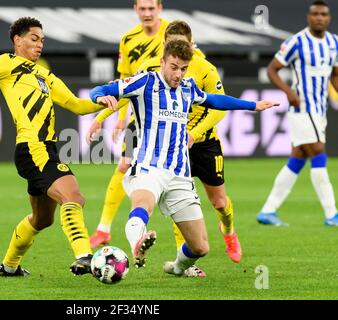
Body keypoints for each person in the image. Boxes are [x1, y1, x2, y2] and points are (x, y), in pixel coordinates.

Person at [90, 40, 278, 276]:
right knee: (141, 206)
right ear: (162, 62)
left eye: (183, 68)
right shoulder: (144, 82)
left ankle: (177, 267)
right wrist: (99, 99)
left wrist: (252, 105)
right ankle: (137, 243)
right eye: (174, 67)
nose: (178, 74)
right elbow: (100, 90)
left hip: (180, 175)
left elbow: (214, 100)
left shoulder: (188, 88)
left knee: (200, 247)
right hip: (149, 167)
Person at [0, 17, 109, 277]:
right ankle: (84, 256)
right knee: (73, 197)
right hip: (33, 148)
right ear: (17, 40)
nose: (39, 44)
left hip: (46, 150)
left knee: (43, 219)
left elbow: (77, 105)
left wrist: (107, 101)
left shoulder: (44, 74)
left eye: (42, 40)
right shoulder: (5, 64)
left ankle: (9, 266)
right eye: (34, 39)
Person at [89, 0, 170, 248]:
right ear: (136, 9)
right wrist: (120, 119)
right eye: (142, 9)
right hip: (140, 115)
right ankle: (104, 228)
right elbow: (126, 82)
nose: (147, 13)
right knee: (123, 165)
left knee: (176, 178)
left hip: (169, 117)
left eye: (151, 8)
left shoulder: (173, 33)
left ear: (160, 8)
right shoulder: (128, 39)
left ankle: (189, 250)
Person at [257, 0, 338, 227]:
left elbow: (335, 75)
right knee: (319, 154)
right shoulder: (297, 42)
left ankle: (267, 211)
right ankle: (332, 213)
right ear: (308, 17)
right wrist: (288, 92)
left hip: (319, 110)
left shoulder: (334, 43)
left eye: (323, 14)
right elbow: (272, 69)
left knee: (298, 158)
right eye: (315, 14)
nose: (319, 18)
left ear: (328, 18)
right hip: (302, 108)